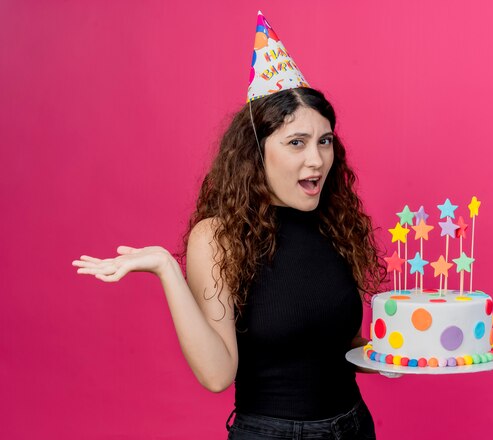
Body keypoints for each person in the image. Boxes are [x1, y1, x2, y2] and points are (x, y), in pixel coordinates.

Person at [73, 11, 386, 439]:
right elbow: (218, 375)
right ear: (256, 152)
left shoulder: (336, 226)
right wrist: (168, 268)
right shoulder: (218, 237)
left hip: (353, 427)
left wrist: (392, 354)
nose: (317, 159)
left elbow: (337, 343)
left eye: (324, 141)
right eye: (296, 142)